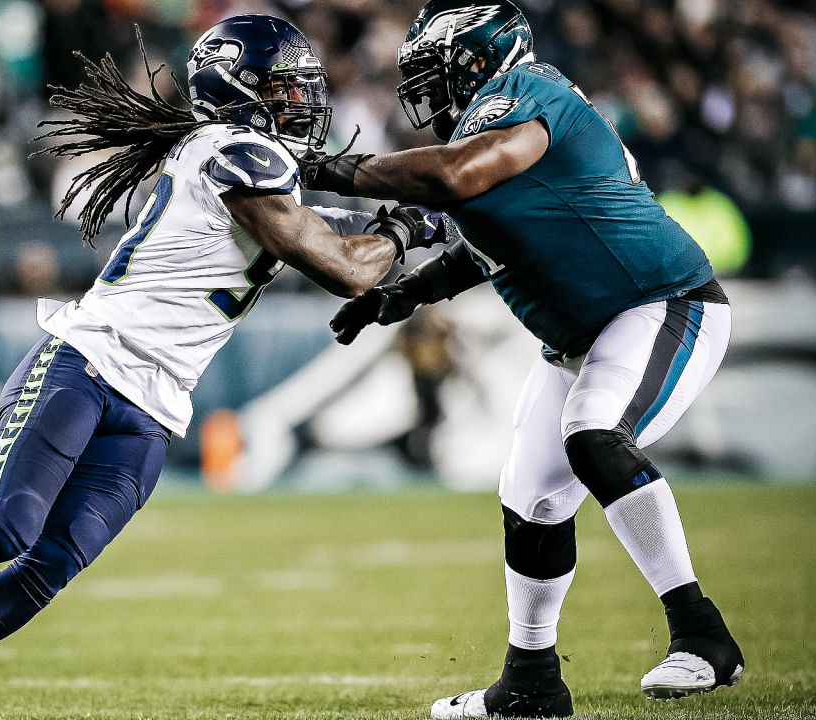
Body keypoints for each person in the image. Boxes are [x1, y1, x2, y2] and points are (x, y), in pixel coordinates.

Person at [0, 15, 445, 720]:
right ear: (239, 91)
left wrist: (417, 215)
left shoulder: (259, 169)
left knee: (46, 571)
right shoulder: (233, 151)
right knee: (3, 529)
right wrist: (405, 226)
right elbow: (343, 266)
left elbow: (331, 225)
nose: (303, 104)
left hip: (157, 408)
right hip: (90, 363)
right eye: (287, 90)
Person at [301, 2, 743, 717]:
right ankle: (531, 682)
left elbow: (461, 175)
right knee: (532, 498)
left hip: (662, 301)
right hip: (581, 336)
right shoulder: (484, 143)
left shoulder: (529, 94)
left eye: (432, 72)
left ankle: (703, 634)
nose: (424, 91)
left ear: (478, 58)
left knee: (593, 433)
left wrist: (329, 169)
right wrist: (401, 296)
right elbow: (484, 246)